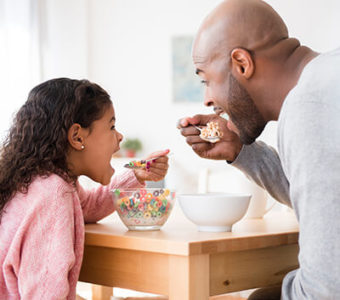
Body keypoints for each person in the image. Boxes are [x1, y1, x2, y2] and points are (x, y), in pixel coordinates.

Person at [178, 0, 340, 299]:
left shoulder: (309, 107)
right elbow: (326, 200)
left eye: (206, 80)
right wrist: (241, 151)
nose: (207, 99)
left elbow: (325, 290)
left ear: (242, 63)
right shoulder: (327, 77)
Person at [0, 78, 169, 299]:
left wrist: (135, 175)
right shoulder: (53, 193)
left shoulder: (40, 180)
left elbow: (87, 207)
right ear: (77, 136)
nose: (119, 136)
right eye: (111, 126)